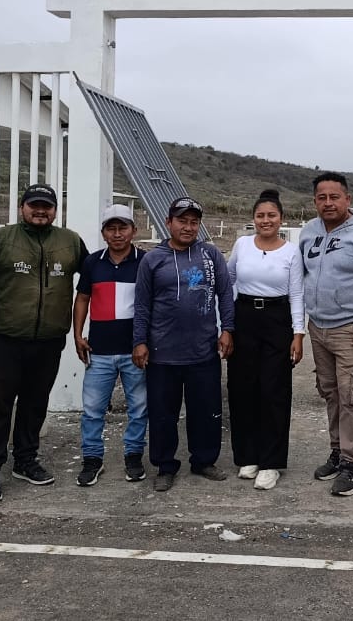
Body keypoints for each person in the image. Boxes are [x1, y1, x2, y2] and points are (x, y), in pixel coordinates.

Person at [0, 183, 89, 504]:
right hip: (3, 338)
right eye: (34, 205)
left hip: (48, 340)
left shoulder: (70, 242)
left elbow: (92, 278)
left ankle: (25, 460)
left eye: (47, 206)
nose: (40, 211)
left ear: (55, 210)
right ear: (21, 208)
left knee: (35, 403)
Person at [133, 196, 235, 492]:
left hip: (203, 351)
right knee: (163, 414)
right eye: (182, 221)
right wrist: (139, 341)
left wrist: (228, 329)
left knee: (206, 411)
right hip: (162, 353)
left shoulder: (210, 254)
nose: (188, 227)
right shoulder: (152, 259)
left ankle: (204, 461)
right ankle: (165, 466)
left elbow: (225, 294)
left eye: (194, 222)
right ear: (168, 223)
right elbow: (142, 305)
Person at [300, 172, 353, 497]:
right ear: (315, 201)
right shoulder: (309, 232)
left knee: (351, 395)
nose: (328, 203)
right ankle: (337, 452)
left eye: (334, 197)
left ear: (348, 199)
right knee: (330, 392)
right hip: (317, 326)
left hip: (350, 328)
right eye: (321, 198)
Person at [226, 189, 305, 491]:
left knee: (274, 391)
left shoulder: (291, 252)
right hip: (244, 318)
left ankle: (271, 462)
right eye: (260, 215)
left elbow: (297, 294)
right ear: (253, 218)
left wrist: (298, 334)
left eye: (271, 215)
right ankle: (248, 456)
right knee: (242, 388)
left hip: (277, 320)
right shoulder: (242, 245)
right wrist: (227, 324)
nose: (266, 220)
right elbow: (229, 281)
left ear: (281, 219)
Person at [72, 204, 148, 487]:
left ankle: (134, 456)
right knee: (92, 410)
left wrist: (145, 342)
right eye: (111, 229)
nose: (117, 234)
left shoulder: (146, 262)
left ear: (133, 231)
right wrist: (78, 335)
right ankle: (92, 458)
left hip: (134, 350)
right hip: (99, 351)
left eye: (122, 228)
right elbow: (82, 299)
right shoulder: (92, 262)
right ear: (103, 233)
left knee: (139, 408)